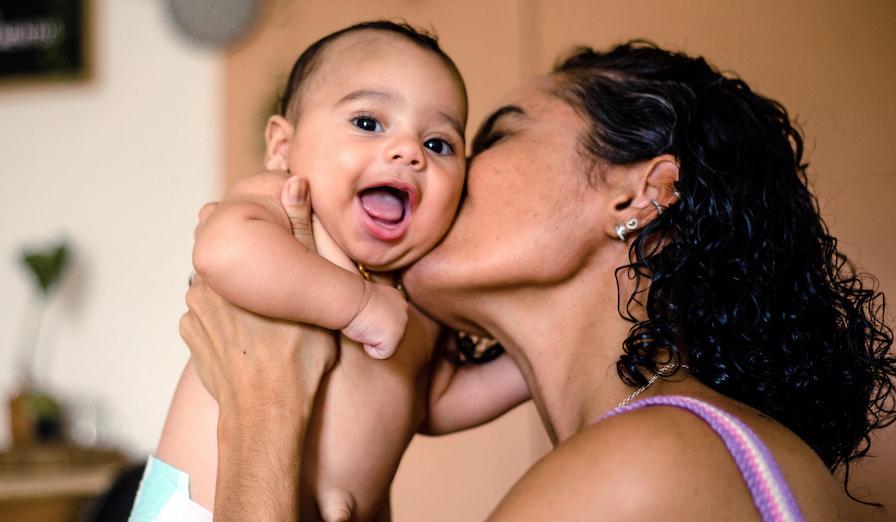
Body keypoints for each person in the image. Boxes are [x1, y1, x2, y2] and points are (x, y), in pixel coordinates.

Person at [178, 40, 896, 521]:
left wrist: (265, 405)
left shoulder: (644, 467)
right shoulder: (682, 444)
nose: (434, 173)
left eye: (484, 139)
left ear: (637, 195)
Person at [130, 21, 529, 522]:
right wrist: (358, 305)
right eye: (368, 123)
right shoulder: (288, 211)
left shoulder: (418, 297)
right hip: (197, 506)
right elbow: (224, 252)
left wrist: (528, 368)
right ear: (282, 146)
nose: (408, 151)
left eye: (438, 144)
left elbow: (436, 401)